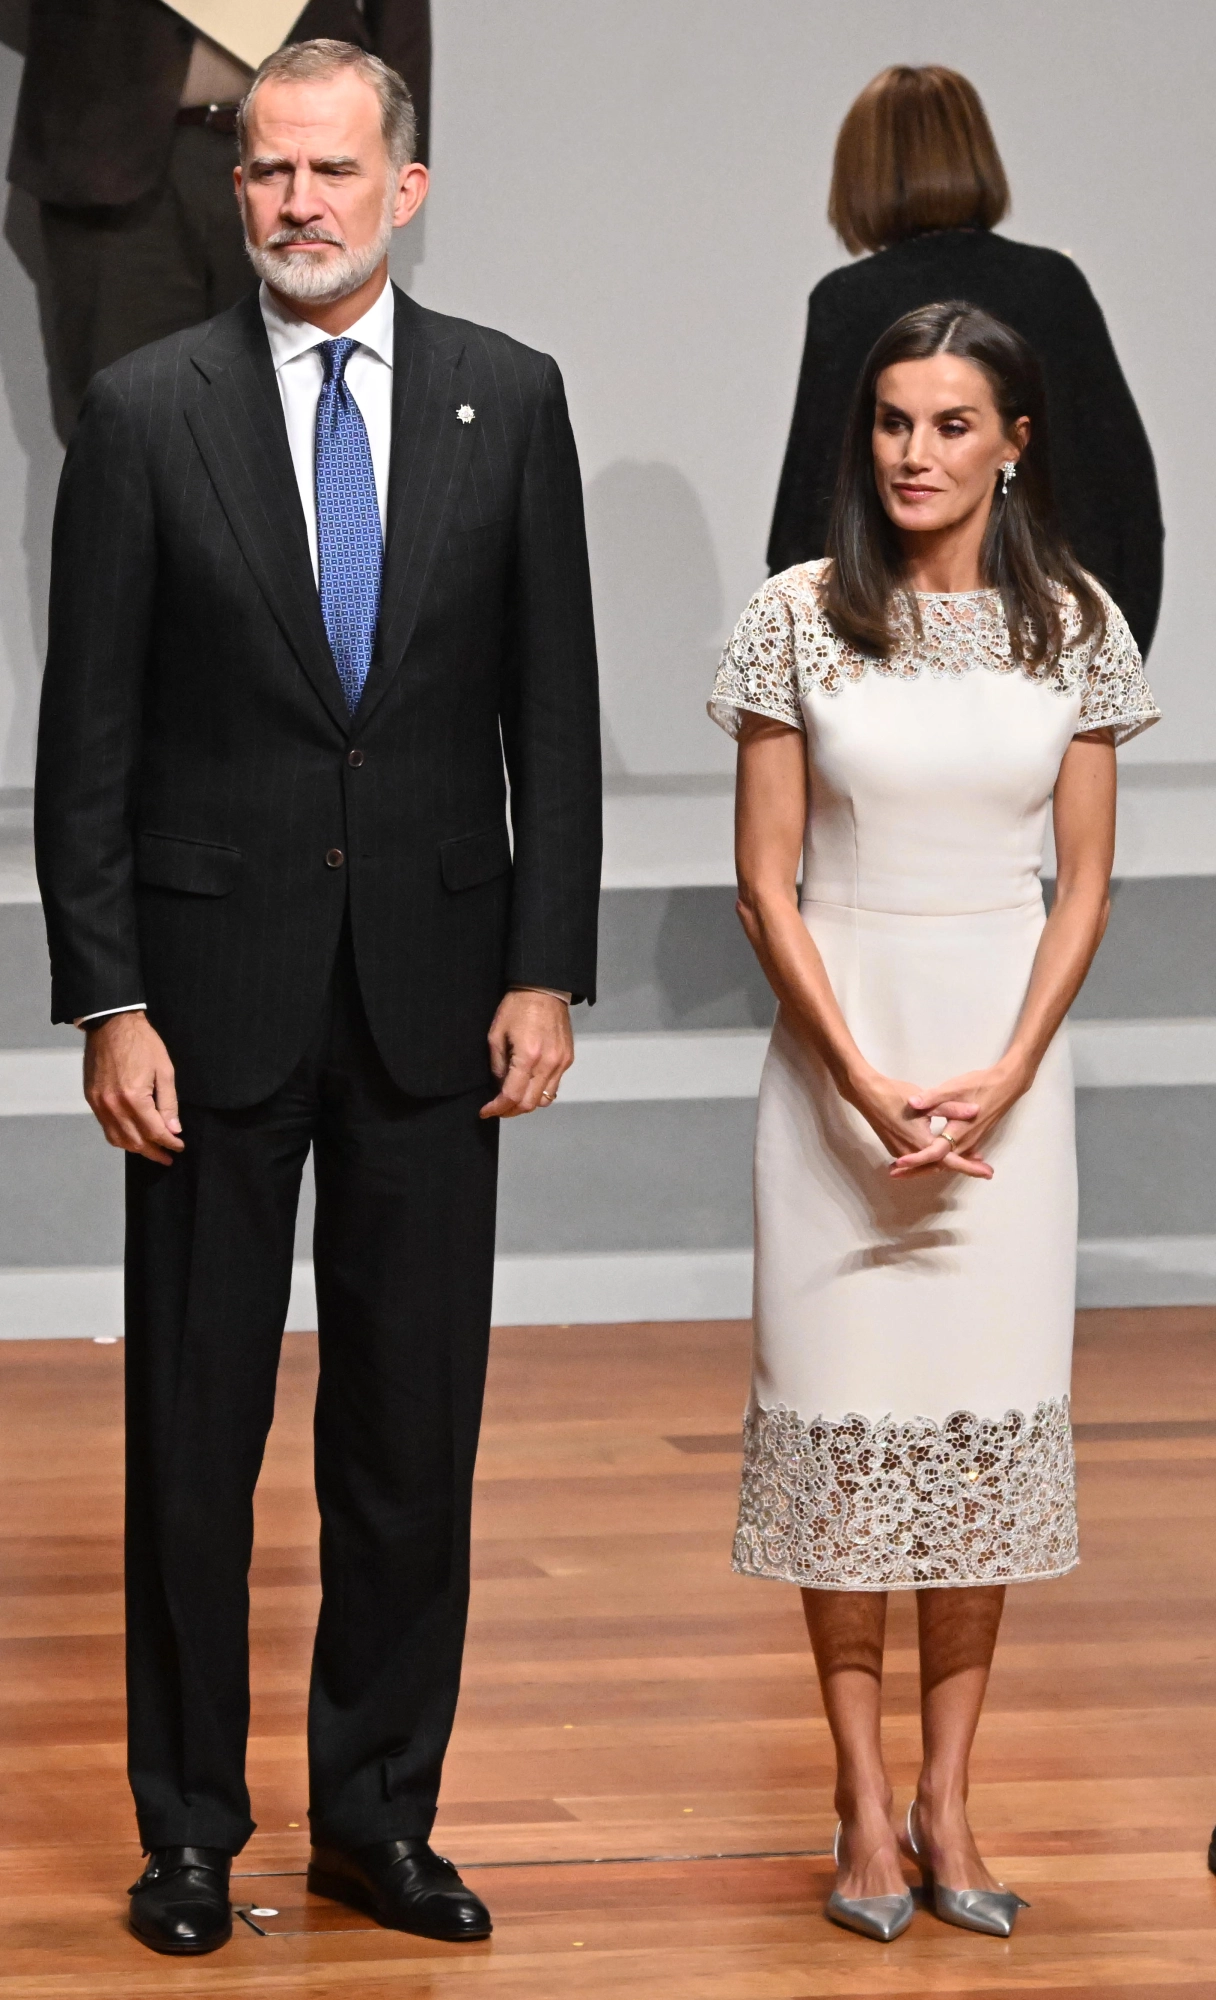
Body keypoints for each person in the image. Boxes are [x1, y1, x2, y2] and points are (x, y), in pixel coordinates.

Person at [34, 38, 600, 1957]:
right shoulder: (146, 411)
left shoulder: (511, 399)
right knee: (194, 1440)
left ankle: (379, 1817)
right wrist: (109, 998)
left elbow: (554, 714)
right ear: (236, 189)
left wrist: (545, 963)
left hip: (439, 998)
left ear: (403, 190)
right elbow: (86, 740)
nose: (297, 202)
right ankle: (190, 1832)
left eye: (333, 171)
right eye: (269, 170)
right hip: (204, 1007)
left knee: (409, 1438)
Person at [710, 300, 1157, 1943]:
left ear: (1013, 444)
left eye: (952, 424)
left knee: (977, 1441)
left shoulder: (1079, 625)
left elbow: (1084, 882)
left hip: (1004, 1090)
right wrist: (852, 1076)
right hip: (839, 1076)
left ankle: (949, 1797)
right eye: (893, 421)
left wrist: (1014, 1069)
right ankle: (857, 1801)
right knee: (844, 1437)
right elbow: (765, 883)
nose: (915, 452)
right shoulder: (794, 616)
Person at [768, 65, 1164, 657]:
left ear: (860, 171)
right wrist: (1105, 664)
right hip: (1050, 645)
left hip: (886, 655)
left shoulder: (847, 301)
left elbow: (807, 515)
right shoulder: (1053, 286)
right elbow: (1127, 504)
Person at [9, 0, 431, 434]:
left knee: (303, 414)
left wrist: (397, 151)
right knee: (123, 421)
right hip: (104, 140)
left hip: (306, 142)